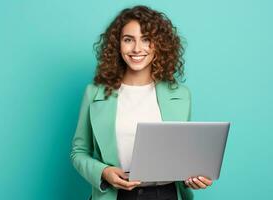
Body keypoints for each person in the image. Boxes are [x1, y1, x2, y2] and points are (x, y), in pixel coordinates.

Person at [70, 5, 213, 200]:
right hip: (117, 195)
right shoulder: (94, 93)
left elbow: (181, 155)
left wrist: (194, 177)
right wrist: (103, 172)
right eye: (128, 40)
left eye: (146, 39)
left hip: (167, 195)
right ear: (117, 45)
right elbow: (79, 152)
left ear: (159, 45)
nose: (137, 48)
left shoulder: (180, 95)